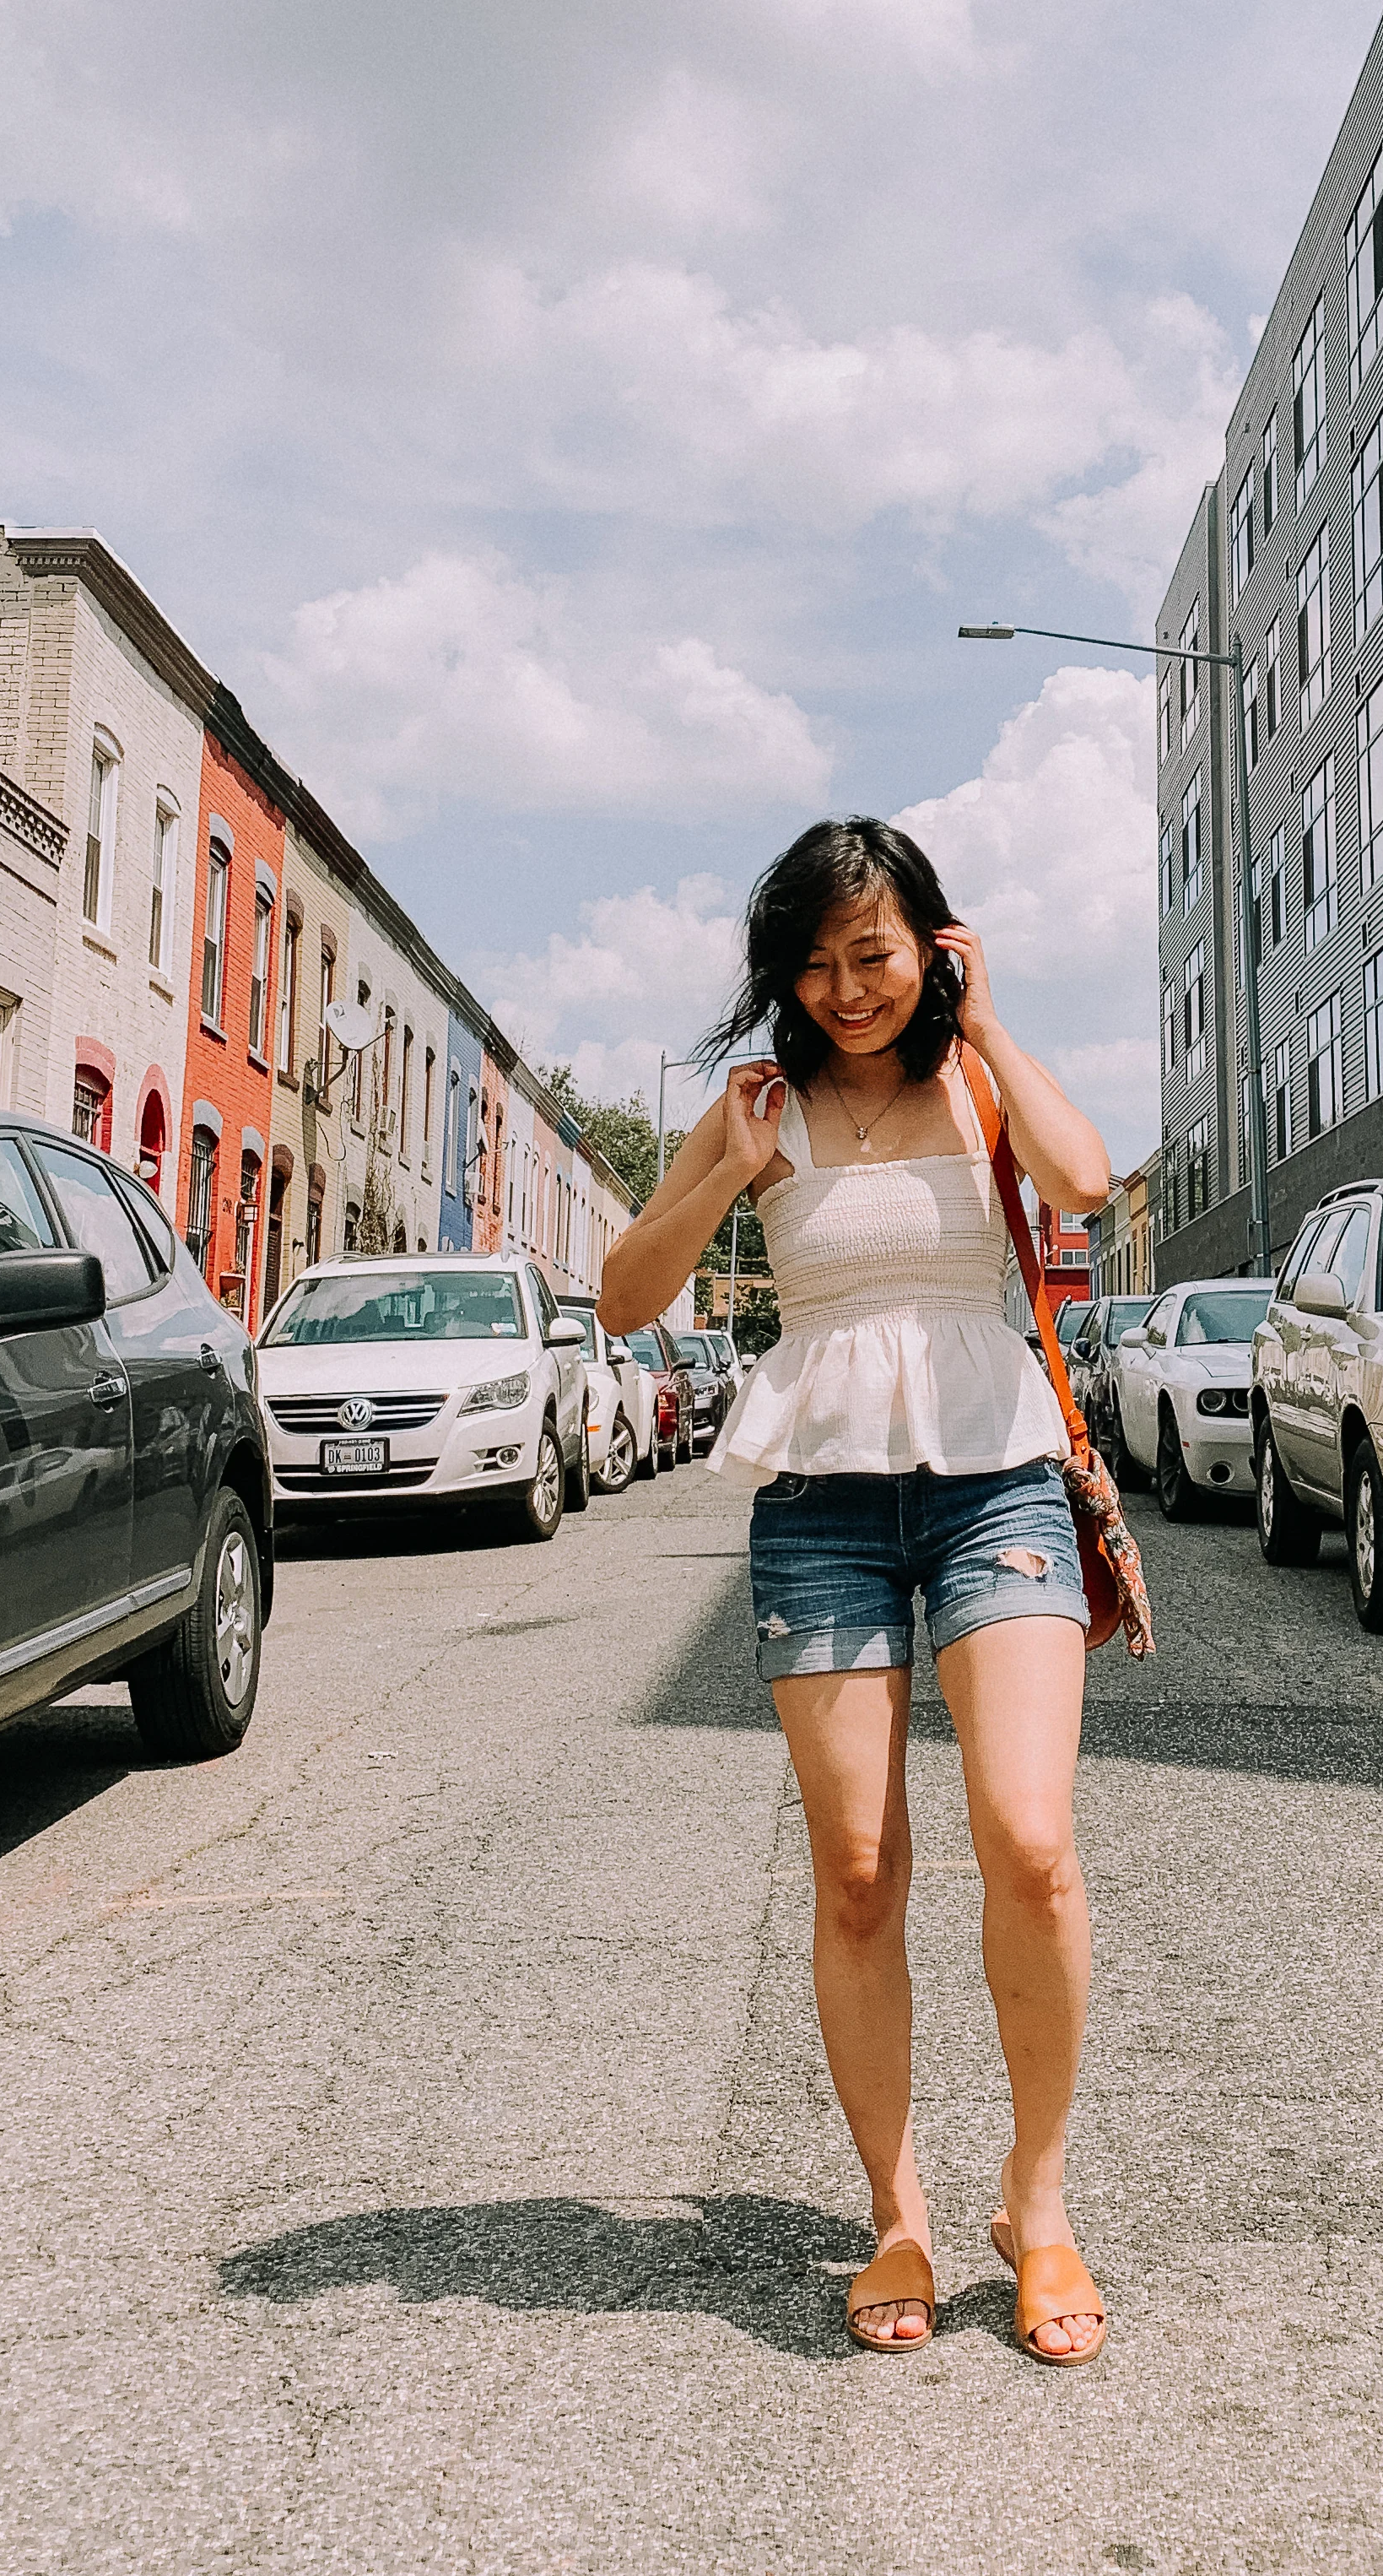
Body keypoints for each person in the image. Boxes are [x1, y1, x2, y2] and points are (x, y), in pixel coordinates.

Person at [597, 818, 1113, 2366]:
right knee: (861, 1871)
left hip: (996, 1479)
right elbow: (627, 1295)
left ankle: (1040, 2197)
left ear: (931, 946)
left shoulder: (975, 1083)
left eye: (876, 954)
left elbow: (1085, 1184)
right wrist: (729, 1177)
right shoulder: (756, 1104)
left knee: (1027, 1840)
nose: (847, 989)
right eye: (816, 963)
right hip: (821, 1503)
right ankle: (898, 2207)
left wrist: (993, 1019)